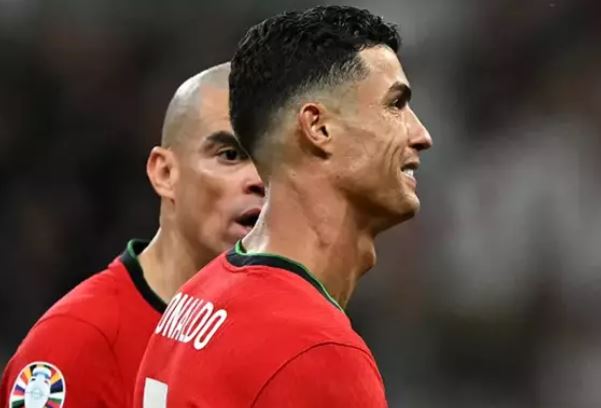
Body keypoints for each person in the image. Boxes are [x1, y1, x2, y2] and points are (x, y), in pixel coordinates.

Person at [135, 5, 432, 407]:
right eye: (395, 105)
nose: (421, 134)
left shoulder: (192, 301)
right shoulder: (318, 352)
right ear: (318, 128)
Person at [1, 62, 264, 407]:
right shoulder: (76, 342)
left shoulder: (290, 337)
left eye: (272, 161)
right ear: (165, 173)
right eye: (230, 155)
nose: (260, 180)